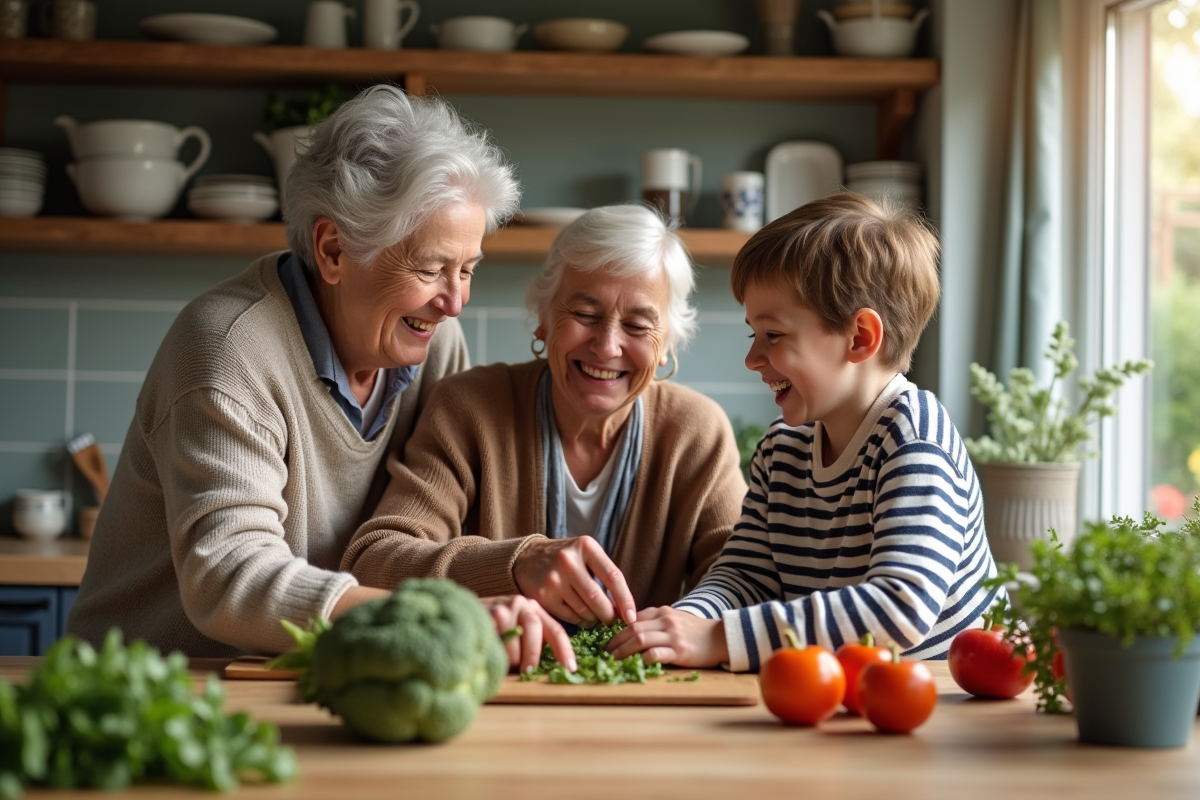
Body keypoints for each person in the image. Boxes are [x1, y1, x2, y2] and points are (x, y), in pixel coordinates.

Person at [67, 85, 573, 671]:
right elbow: (230, 577)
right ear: (333, 249)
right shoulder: (227, 351)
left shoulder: (433, 346)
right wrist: (422, 619)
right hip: (155, 684)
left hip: (311, 675)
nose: (454, 302)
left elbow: (434, 526)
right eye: (433, 268)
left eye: (468, 269)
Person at [607, 192, 1000, 671]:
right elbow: (746, 576)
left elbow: (901, 607)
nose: (753, 358)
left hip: (941, 709)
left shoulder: (912, 439)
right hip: (842, 702)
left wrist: (717, 638)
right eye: (754, 334)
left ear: (859, 338)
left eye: (773, 335)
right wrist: (682, 624)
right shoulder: (783, 450)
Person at [341, 204, 747, 628]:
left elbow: (745, 576)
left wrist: (686, 623)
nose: (607, 346)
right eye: (585, 315)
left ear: (667, 344)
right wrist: (515, 565)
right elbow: (375, 561)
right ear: (544, 320)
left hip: (639, 688)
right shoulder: (469, 408)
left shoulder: (697, 432)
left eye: (638, 326)